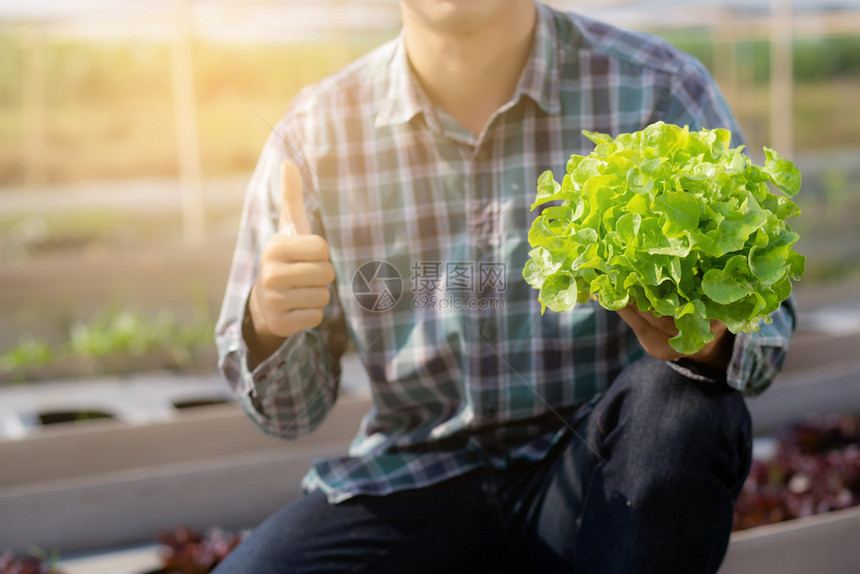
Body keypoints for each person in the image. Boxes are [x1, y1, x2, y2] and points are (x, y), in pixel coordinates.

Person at [213, 1, 795, 572]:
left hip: (594, 472)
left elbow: (767, 332)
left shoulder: (656, 88)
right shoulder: (314, 133)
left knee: (681, 409)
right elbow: (289, 415)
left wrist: (708, 338)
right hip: (410, 482)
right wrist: (269, 322)